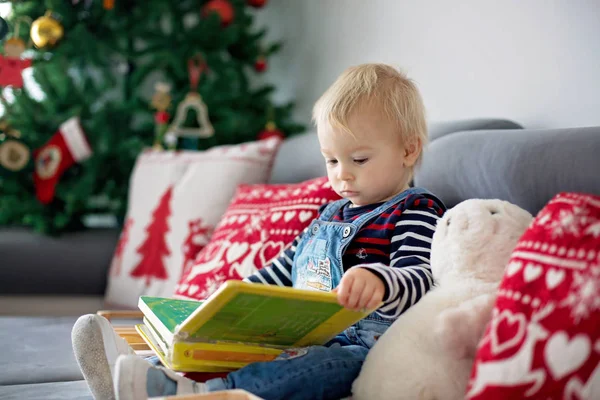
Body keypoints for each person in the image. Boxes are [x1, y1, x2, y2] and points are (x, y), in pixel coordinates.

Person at [72, 63, 446, 400]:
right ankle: (144, 368)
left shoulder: (415, 209)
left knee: (309, 368)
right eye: (331, 159)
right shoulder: (331, 212)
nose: (341, 174)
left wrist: (379, 280)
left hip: (362, 348)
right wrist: (238, 297)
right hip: (301, 334)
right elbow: (285, 268)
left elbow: (421, 277)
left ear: (409, 150)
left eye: (358, 160)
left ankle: (196, 393)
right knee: (229, 342)